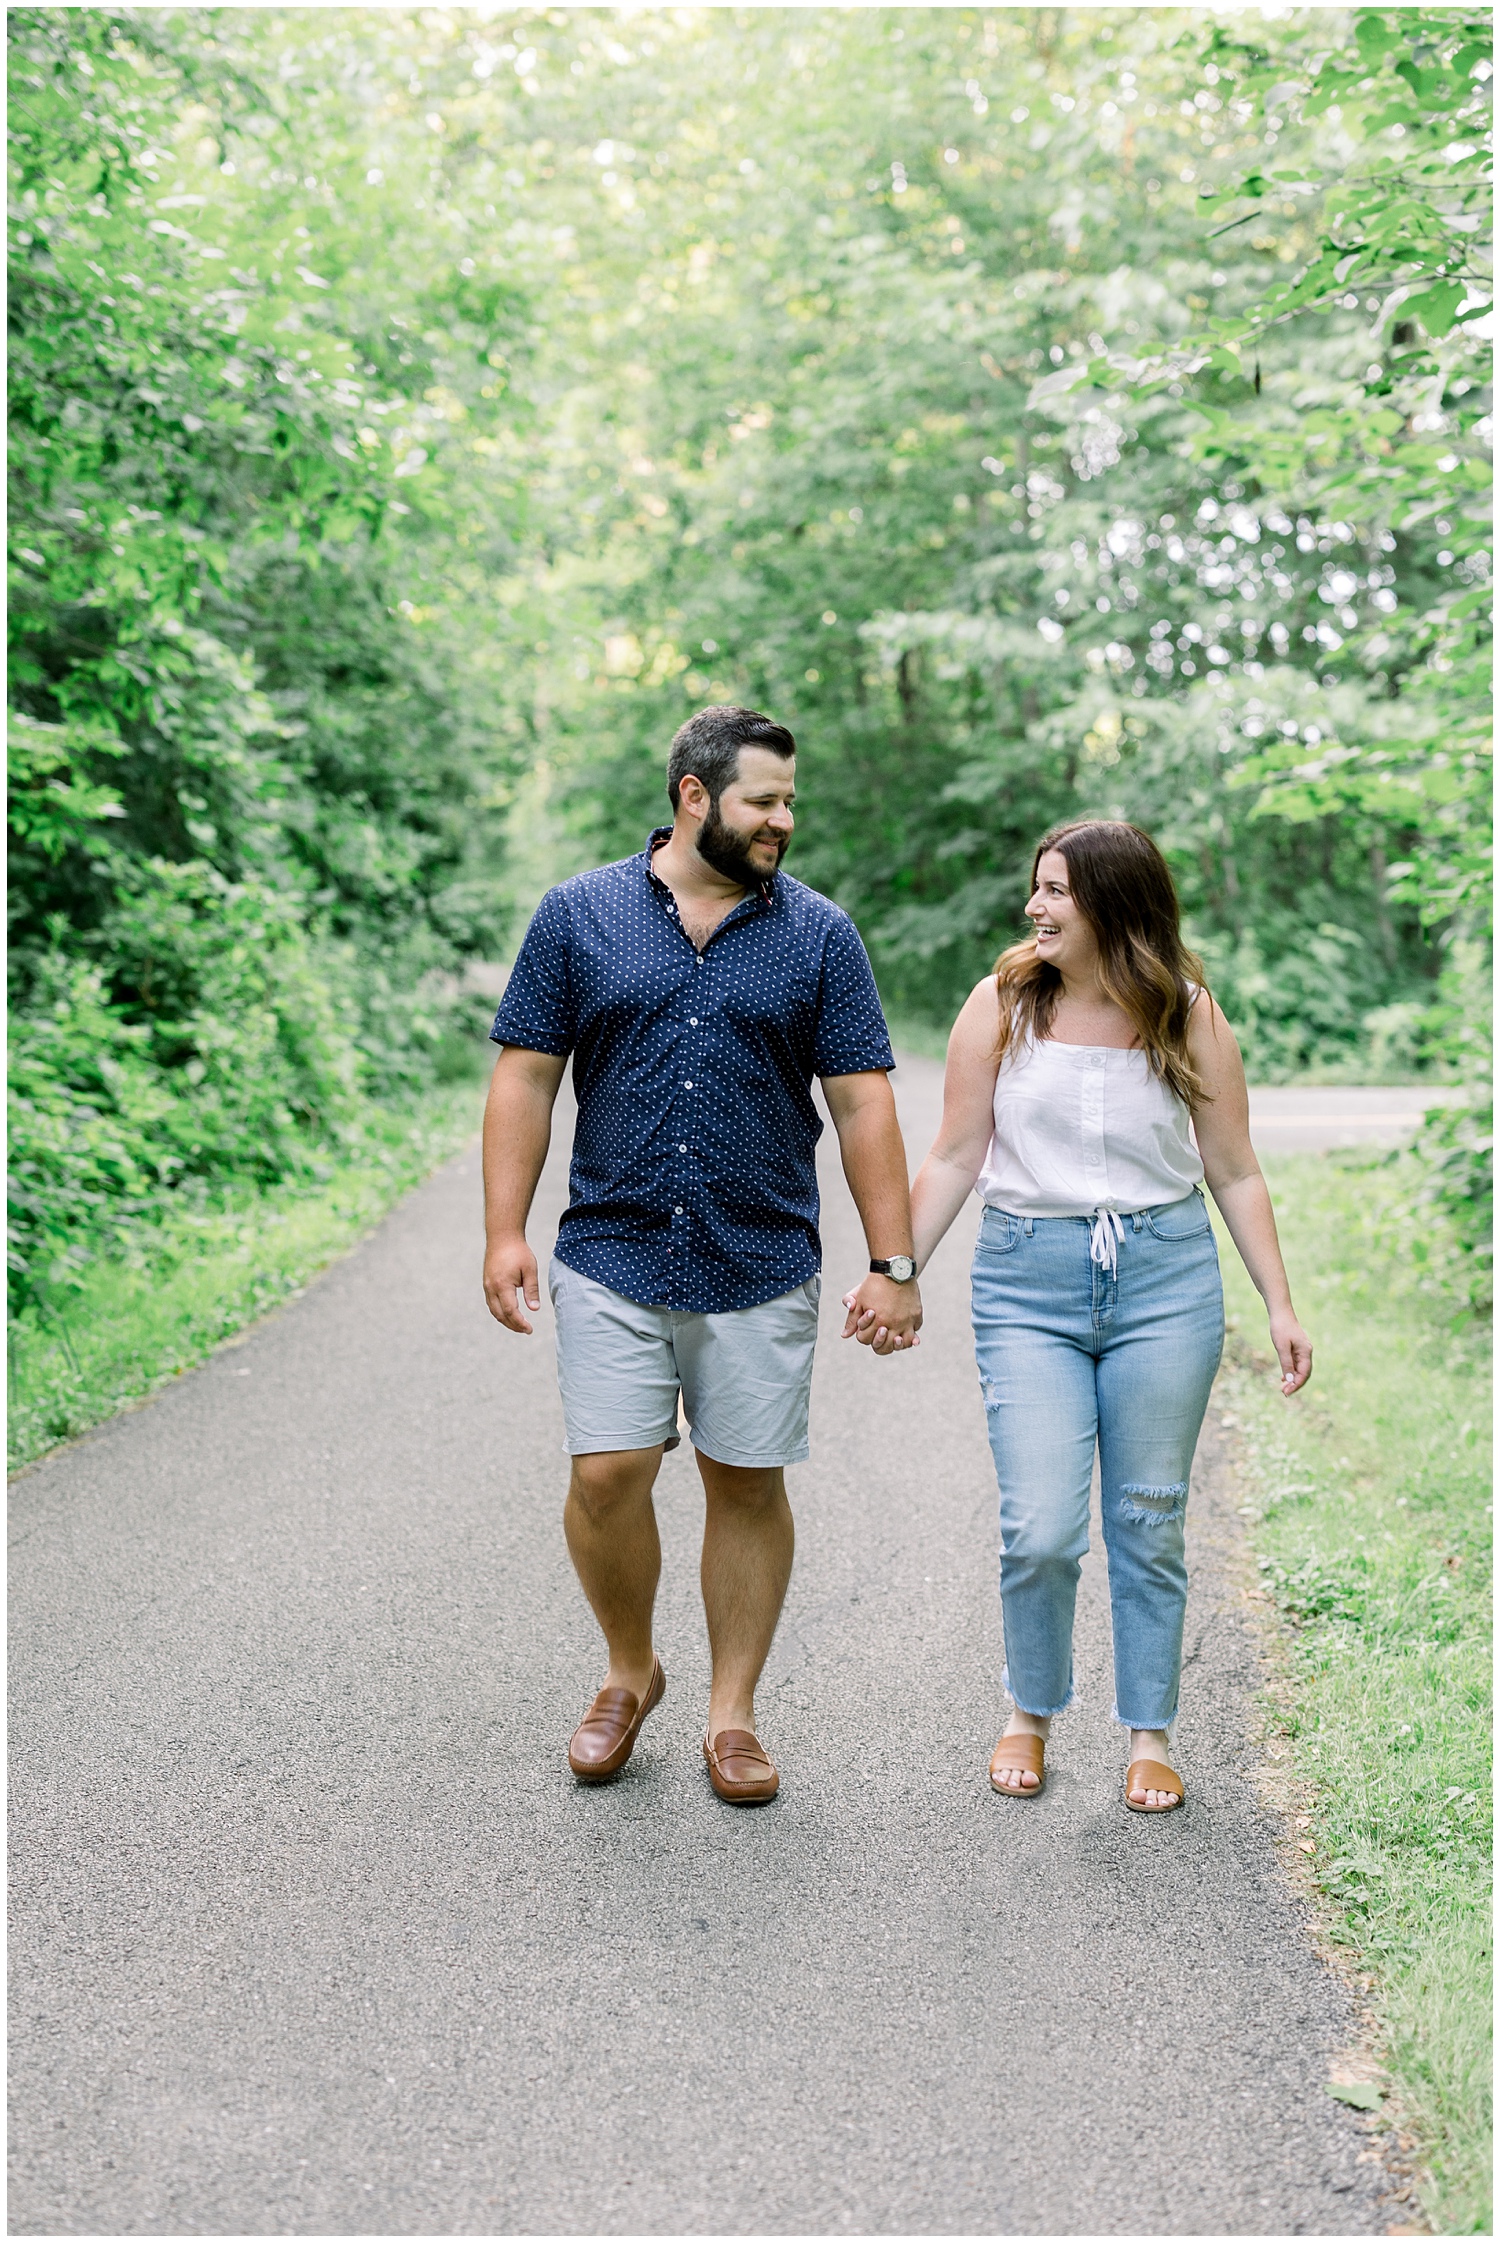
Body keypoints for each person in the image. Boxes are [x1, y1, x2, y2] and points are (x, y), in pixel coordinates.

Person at [482, 705, 921, 1805]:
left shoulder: (820, 933)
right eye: (763, 800)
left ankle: (735, 1712)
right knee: (607, 1472)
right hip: (613, 1245)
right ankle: (630, 1669)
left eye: (788, 802)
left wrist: (894, 1261)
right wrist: (502, 1229)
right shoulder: (578, 916)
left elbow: (863, 1102)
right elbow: (526, 1076)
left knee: (745, 1478)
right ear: (693, 795)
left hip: (760, 1250)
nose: (783, 820)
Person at [890, 818, 1312, 1814]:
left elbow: (1234, 1167)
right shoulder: (1000, 1004)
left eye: (1055, 892)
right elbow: (954, 1154)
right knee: (1040, 1525)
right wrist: (895, 1268)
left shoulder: (1188, 1013)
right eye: (1036, 887)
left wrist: (1279, 1303)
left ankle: (1150, 1733)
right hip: (1026, 1279)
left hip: (1165, 1280)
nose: (1034, 908)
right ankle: (1028, 1711)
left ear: (1114, 907)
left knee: (1148, 1515)